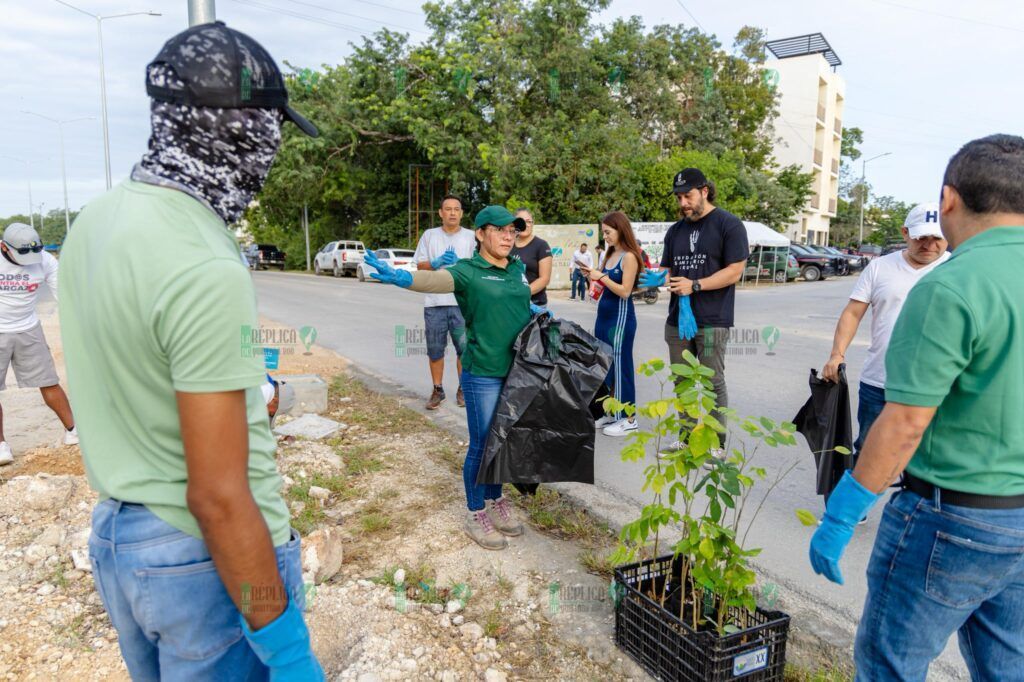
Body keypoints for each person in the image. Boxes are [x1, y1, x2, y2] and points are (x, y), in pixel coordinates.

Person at [58, 23, 323, 680]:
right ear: (240, 130)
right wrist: (289, 653)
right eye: (270, 128)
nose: (273, 150)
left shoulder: (95, 222)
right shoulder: (205, 264)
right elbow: (218, 496)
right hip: (206, 562)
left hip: (123, 544)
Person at [809, 134, 1024, 680]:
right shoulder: (894, 271)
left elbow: (904, 424)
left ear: (948, 200)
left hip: (953, 519)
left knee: (891, 665)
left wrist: (842, 512)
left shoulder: (951, 286)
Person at [365, 205, 538, 551]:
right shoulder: (468, 271)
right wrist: (401, 276)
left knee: (502, 441)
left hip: (517, 372)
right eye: (500, 229)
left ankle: (495, 500)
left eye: (513, 231)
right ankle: (476, 513)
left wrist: (534, 312)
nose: (508, 235)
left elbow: (519, 303)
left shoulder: (516, 269)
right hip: (483, 372)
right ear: (480, 234)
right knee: (482, 443)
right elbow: (435, 280)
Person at [821, 203, 950, 473]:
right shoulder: (880, 267)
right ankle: (854, 513)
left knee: (930, 457)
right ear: (905, 233)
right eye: (921, 237)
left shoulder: (957, 268)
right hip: (879, 382)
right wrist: (837, 354)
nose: (929, 244)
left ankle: (915, 511)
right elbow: (853, 313)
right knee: (869, 449)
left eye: (936, 237)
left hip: (937, 386)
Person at [640, 168, 748, 446]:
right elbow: (668, 271)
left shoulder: (729, 224)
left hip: (713, 321)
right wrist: (652, 278)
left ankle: (716, 444)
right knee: (683, 383)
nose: (682, 203)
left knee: (713, 384)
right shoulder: (675, 230)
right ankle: (686, 439)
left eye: (687, 196)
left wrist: (695, 284)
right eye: (678, 198)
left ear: (704, 191)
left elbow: (735, 271)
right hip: (677, 321)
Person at [0, 222, 78, 465]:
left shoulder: (44, 260)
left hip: (29, 329)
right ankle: (1, 446)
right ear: (4, 247)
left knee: (48, 381)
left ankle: (73, 432)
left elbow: (64, 297)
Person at [413, 194, 477, 410]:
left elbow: (478, 266)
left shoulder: (470, 237)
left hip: (462, 303)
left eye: (456, 209)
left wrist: (463, 266)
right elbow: (419, 265)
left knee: (464, 349)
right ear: (440, 213)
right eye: (447, 209)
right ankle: (437, 390)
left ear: (461, 213)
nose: (452, 213)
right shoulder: (430, 236)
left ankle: (463, 389)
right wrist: (435, 263)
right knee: (435, 350)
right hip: (434, 303)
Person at [584, 212, 641, 437]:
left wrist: (602, 277)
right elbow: (603, 286)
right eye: (603, 232)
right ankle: (610, 411)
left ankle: (628, 418)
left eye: (608, 232)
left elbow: (625, 291)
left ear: (621, 230)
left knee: (621, 366)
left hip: (620, 320)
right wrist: (592, 277)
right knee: (606, 366)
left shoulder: (629, 257)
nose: (605, 236)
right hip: (604, 317)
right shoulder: (609, 254)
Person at [510, 208, 552, 306]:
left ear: (533, 224)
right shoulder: (508, 243)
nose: (525, 224)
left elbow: (544, 279)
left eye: (529, 221)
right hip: (510, 303)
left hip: (534, 304)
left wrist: (521, 294)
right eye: (521, 221)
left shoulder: (541, 245)